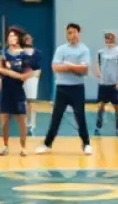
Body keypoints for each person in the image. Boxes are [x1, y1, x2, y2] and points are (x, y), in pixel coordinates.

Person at [36, 23, 92, 156]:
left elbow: (83, 70)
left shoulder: (84, 50)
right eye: (69, 33)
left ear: (79, 33)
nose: (72, 35)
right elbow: (55, 68)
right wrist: (74, 67)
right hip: (62, 88)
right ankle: (47, 144)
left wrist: (67, 65)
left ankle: (86, 144)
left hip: (77, 88)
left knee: (80, 117)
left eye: (74, 32)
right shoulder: (61, 49)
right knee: (56, 117)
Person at [0, 27, 32, 156]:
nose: (12, 38)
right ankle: (5, 146)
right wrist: (9, 72)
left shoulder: (24, 55)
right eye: (10, 36)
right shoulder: (3, 54)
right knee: (4, 121)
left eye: (14, 36)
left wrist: (11, 73)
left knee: (21, 120)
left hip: (18, 91)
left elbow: (27, 74)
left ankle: (23, 147)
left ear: (18, 39)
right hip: (5, 92)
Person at [94, 32, 118, 136]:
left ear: (114, 39)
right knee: (100, 106)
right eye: (107, 39)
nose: (109, 41)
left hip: (114, 84)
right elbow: (98, 63)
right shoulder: (101, 52)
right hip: (103, 83)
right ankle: (98, 125)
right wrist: (98, 71)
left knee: (117, 107)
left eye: (110, 39)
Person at [22, 33, 43, 135]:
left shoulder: (37, 53)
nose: (28, 40)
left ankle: (31, 125)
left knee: (31, 102)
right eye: (26, 39)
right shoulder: (20, 53)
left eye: (30, 38)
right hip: (22, 78)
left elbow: (39, 69)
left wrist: (32, 75)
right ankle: (24, 123)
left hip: (33, 78)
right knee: (23, 102)